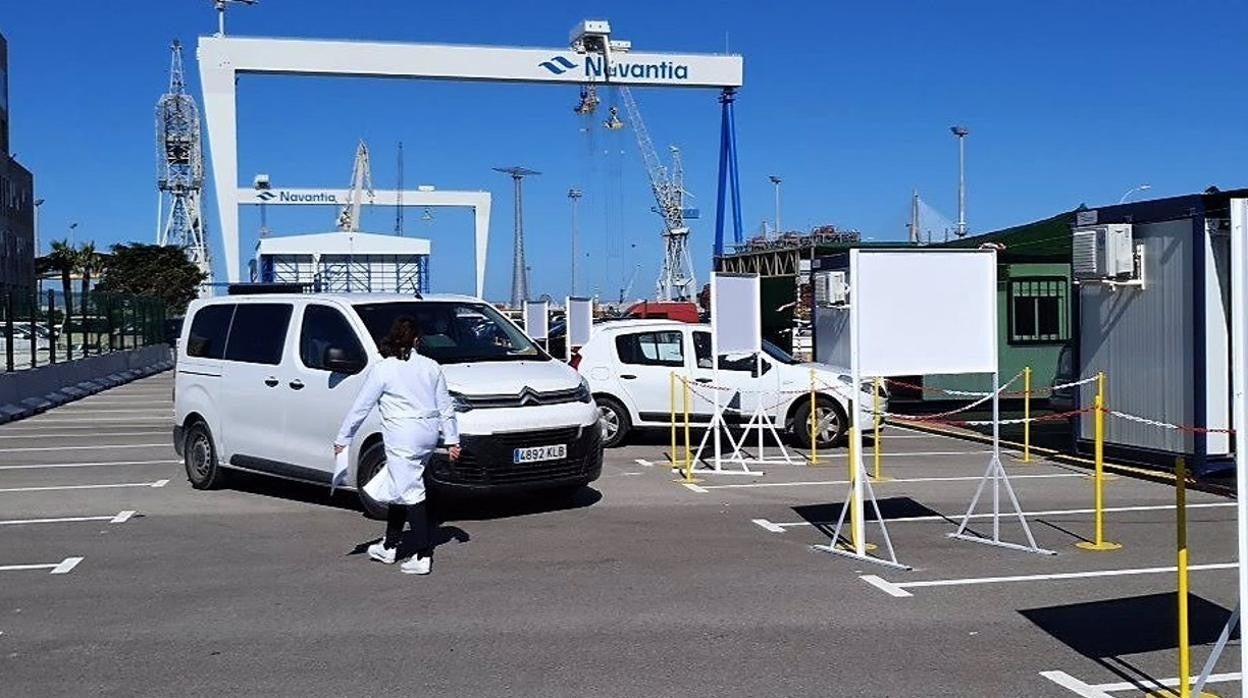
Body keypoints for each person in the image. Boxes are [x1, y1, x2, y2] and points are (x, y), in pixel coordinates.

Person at [334, 316, 460, 575]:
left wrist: (343, 438)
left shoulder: (384, 369)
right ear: (416, 340)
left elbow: (361, 407)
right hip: (427, 433)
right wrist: (452, 440)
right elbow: (446, 407)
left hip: (402, 434)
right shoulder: (431, 366)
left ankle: (422, 555)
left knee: (411, 491)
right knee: (399, 484)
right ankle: (390, 545)